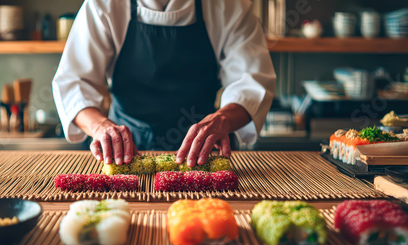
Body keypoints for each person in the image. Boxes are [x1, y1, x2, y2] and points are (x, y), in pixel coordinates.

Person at [53, 0, 276, 168]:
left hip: (203, 152)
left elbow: (251, 81)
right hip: (124, 150)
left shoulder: (229, 5)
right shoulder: (104, 5)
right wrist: (100, 126)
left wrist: (223, 119)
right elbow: (75, 82)